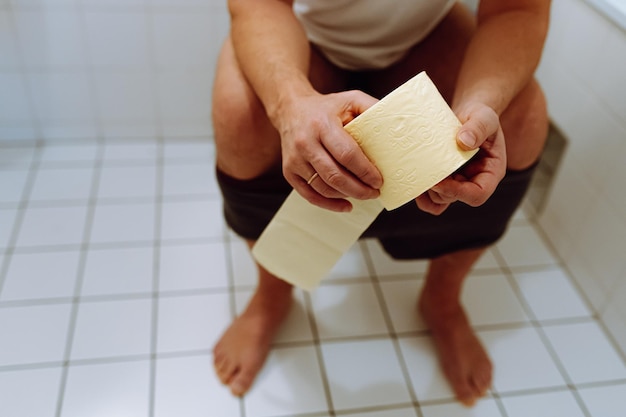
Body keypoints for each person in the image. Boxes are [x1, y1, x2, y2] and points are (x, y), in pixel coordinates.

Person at [211, 0, 550, 406]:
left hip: (428, 32)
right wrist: (289, 106)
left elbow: (518, 10)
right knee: (240, 115)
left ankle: (442, 299)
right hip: (307, 35)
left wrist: (482, 105)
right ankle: (272, 293)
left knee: (523, 118)